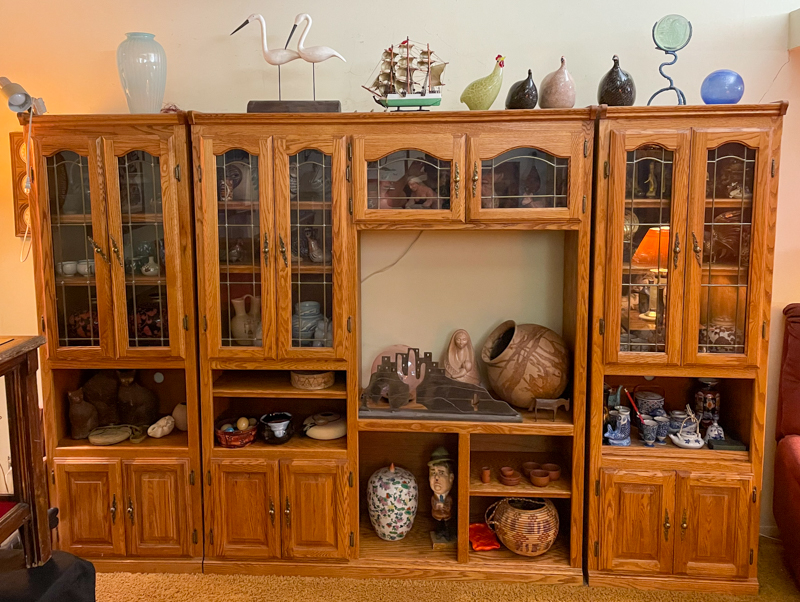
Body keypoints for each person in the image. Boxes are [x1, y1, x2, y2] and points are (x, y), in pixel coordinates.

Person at [428, 447, 455, 541]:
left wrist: (444, 506)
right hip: (437, 516)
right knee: (438, 526)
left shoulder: (449, 498)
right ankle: (439, 533)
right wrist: (437, 505)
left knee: (447, 525)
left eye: (441, 473)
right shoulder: (434, 497)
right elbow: (433, 503)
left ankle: (447, 533)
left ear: (451, 478)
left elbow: (449, 505)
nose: (436, 477)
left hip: (447, 516)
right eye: (433, 473)